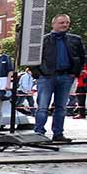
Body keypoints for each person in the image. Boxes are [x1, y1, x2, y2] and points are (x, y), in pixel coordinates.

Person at [33, 14, 85, 142]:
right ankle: (39, 133)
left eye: (67, 22)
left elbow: (82, 57)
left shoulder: (75, 39)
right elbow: (33, 59)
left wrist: (75, 73)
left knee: (61, 107)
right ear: (54, 24)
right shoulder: (43, 40)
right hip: (46, 77)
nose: (65, 25)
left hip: (66, 76)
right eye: (62, 22)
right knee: (43, 106)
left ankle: (58, 133)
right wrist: (38, 74)